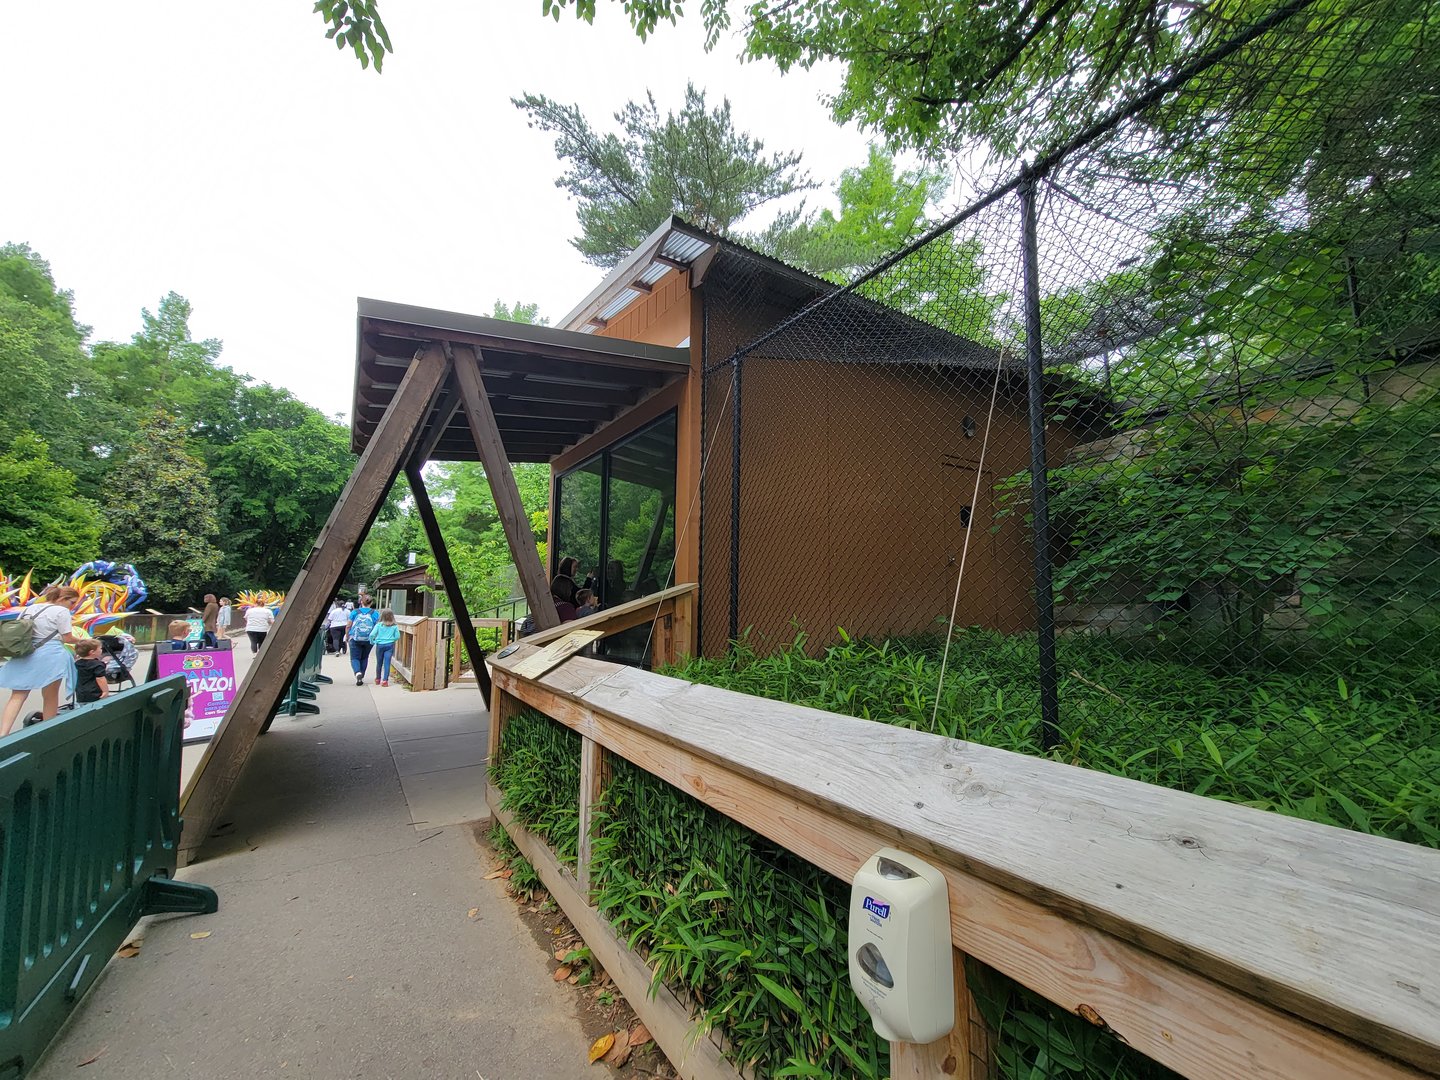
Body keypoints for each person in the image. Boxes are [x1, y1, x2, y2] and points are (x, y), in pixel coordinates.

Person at [0, 585, 83, 736]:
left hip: (26, 652)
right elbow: (67, 637)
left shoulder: (30, 608)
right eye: (72, 602)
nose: (73, 606)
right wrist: (81, 641)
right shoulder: (62, 611)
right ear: (63, 599)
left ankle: (3, 734)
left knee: (18, 695)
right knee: (50, 695)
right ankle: (47, 733)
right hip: (51, 654)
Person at [347, 598, 378, 686]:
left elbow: (348, 625)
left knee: (354, 658)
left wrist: (347, 636)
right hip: (369, 639)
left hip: (355, 638)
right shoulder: (375, 613)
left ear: (361, 602)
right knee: (364, 658)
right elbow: (377, 627)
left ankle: (357, 673)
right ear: (371, 602)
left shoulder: (355, 612)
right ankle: (362, 675)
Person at [73, 639, 111, 706]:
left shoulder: (77, 663)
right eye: (100, 648)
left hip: (80, 692)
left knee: (82, 708)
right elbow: (100, 679)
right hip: (94, 692)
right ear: (92, 652)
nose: (101, 650)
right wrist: (105, 691)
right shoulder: (98, 665)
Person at [370, 609, 400, 687]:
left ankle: (378, 679)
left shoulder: (379, 625)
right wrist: (392, 640)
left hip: (380, 645)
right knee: (387, 663)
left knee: (379, 662)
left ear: (382, 616)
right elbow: (397, 636)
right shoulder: (394, 626)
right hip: (389, 645)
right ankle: (385, 681)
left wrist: (372, 641)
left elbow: (372, 635)